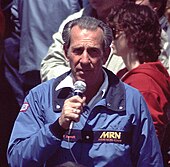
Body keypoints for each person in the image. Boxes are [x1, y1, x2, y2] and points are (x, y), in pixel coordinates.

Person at [7, 16, 163, 166]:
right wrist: (57, 127)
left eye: (93, 51)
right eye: (78, 51)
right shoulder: (40, 97)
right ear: (65, 52)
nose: (84, 60)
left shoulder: (132, 100)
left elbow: (150, 161)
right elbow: (17, 159)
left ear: (106, 54)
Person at [107, 2, 170, 166]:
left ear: (132, 34)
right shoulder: (128, 75)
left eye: (114, 31)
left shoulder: (144, 83)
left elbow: (149, 141)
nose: (110, 37)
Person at [40, 0, 136, 81]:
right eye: (78, 50)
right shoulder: (74, 22)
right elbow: (50, 66)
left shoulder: (139, 24)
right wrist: (79, 83)